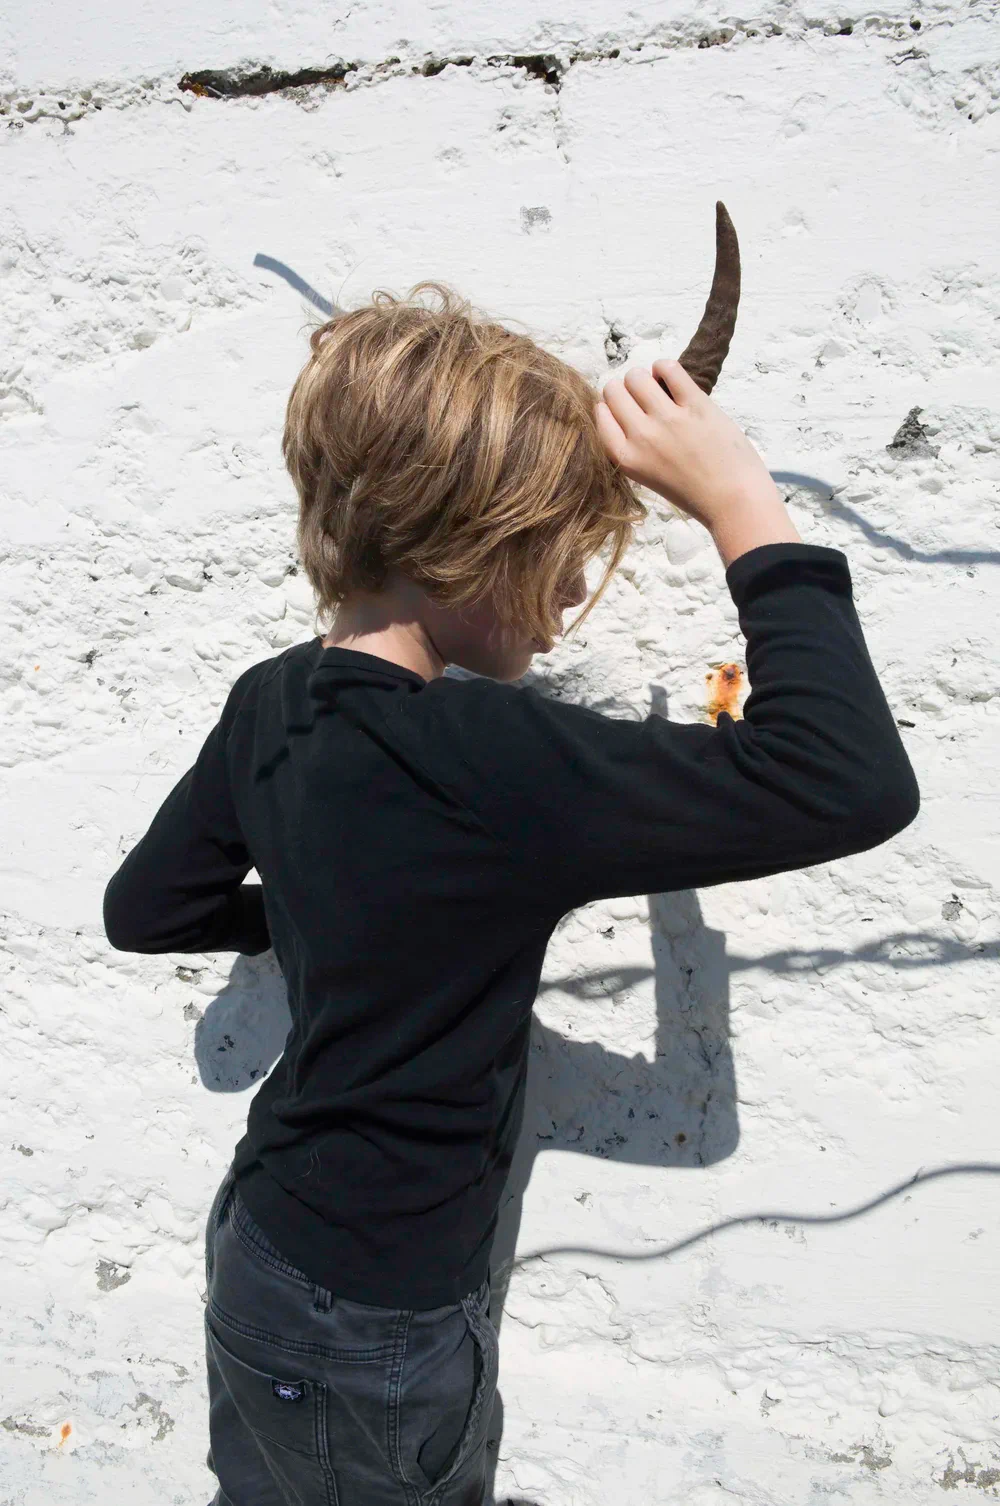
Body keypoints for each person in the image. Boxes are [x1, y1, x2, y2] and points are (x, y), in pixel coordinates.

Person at [102, 281, 920, 1506]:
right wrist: (739, 500)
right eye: (556, 553)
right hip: (377, 1323)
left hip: (259, 1249)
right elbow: (846, 777)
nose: (569, 595)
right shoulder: (491, 755)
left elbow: (147, 912)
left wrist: (329, 922)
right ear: (466, 540)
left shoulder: (267, 697)